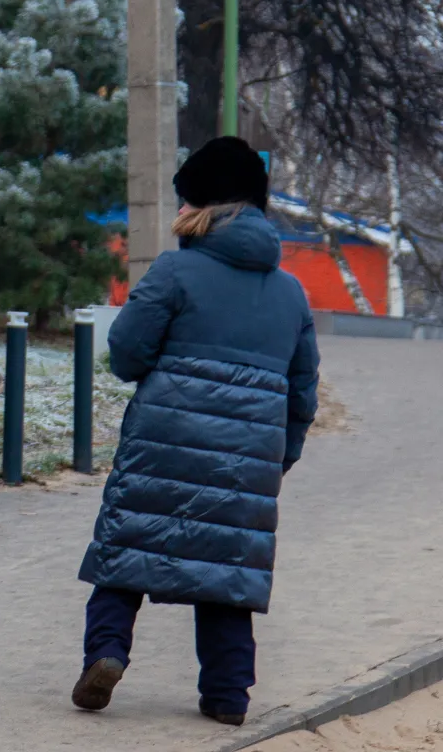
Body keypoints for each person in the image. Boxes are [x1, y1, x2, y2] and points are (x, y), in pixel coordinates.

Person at [70, 136, 320, 725]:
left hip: (162, 443)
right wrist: (279, 456)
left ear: (200, 204)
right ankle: (229, 698)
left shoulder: (175, 270)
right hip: (245, 462)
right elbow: (303, 391)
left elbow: (127, 353)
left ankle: (106, 655)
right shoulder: (291, 293)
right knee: (227, 578)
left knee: (123, 557)